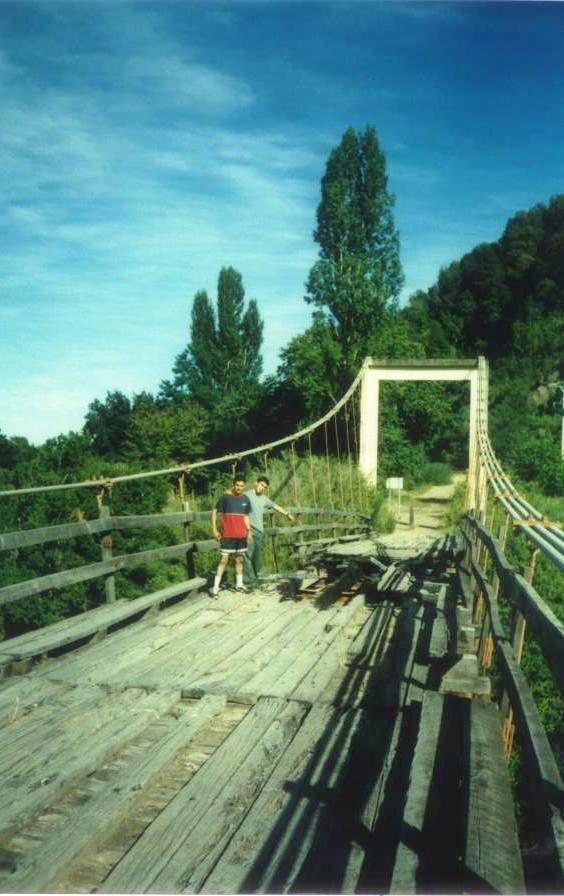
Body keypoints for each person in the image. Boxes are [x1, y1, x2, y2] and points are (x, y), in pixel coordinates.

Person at [243, 475, 295, 588]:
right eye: (261, 485)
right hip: (249, 530)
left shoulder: (264, 498)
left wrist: (287, 514)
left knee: (257, 558)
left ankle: (256, 580)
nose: (262, 488)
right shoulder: (246, 495)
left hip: (260, 532)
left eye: (265, 487)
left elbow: (275, 506)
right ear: (256, 483)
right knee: (247, 556)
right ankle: (248, 582)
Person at [211, 476, 252, 597]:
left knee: (239, 560)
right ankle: (215, 588)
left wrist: (249, 530)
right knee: (223, 560)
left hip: (241, 535)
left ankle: (239, 585)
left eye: (241, 485)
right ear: (233, 485)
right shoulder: (225, 498)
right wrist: (214, 529)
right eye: (237, 485)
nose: (239, 487)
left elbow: (245, 516)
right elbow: (214, 512)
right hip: (227, 535)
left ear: (244, 486)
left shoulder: (246, 499)